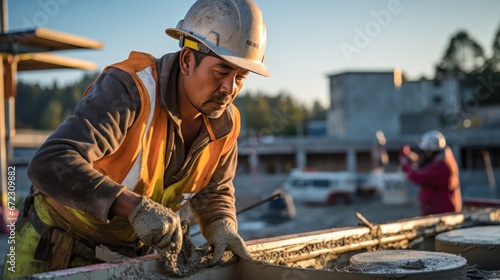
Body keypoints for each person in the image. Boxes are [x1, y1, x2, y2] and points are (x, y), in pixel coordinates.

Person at [3, 0, 269, 278]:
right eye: (220, 72)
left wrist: (221, 225)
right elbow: (49, 163)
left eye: (241, 76)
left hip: (129, 257)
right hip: (53, 246)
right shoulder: (129, 91)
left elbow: (215, 191)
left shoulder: (227, 123)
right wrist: (134, 207)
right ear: (188, 60)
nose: (230, 88)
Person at [399, 130, 462, 216]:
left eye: (426, 151)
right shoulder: (443, 160)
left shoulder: (440, 166)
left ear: (431, 151)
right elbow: (425, 167)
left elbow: (419, 177)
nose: (425, 153)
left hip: (441, 214)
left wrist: (406, 163)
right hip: (440, 211)